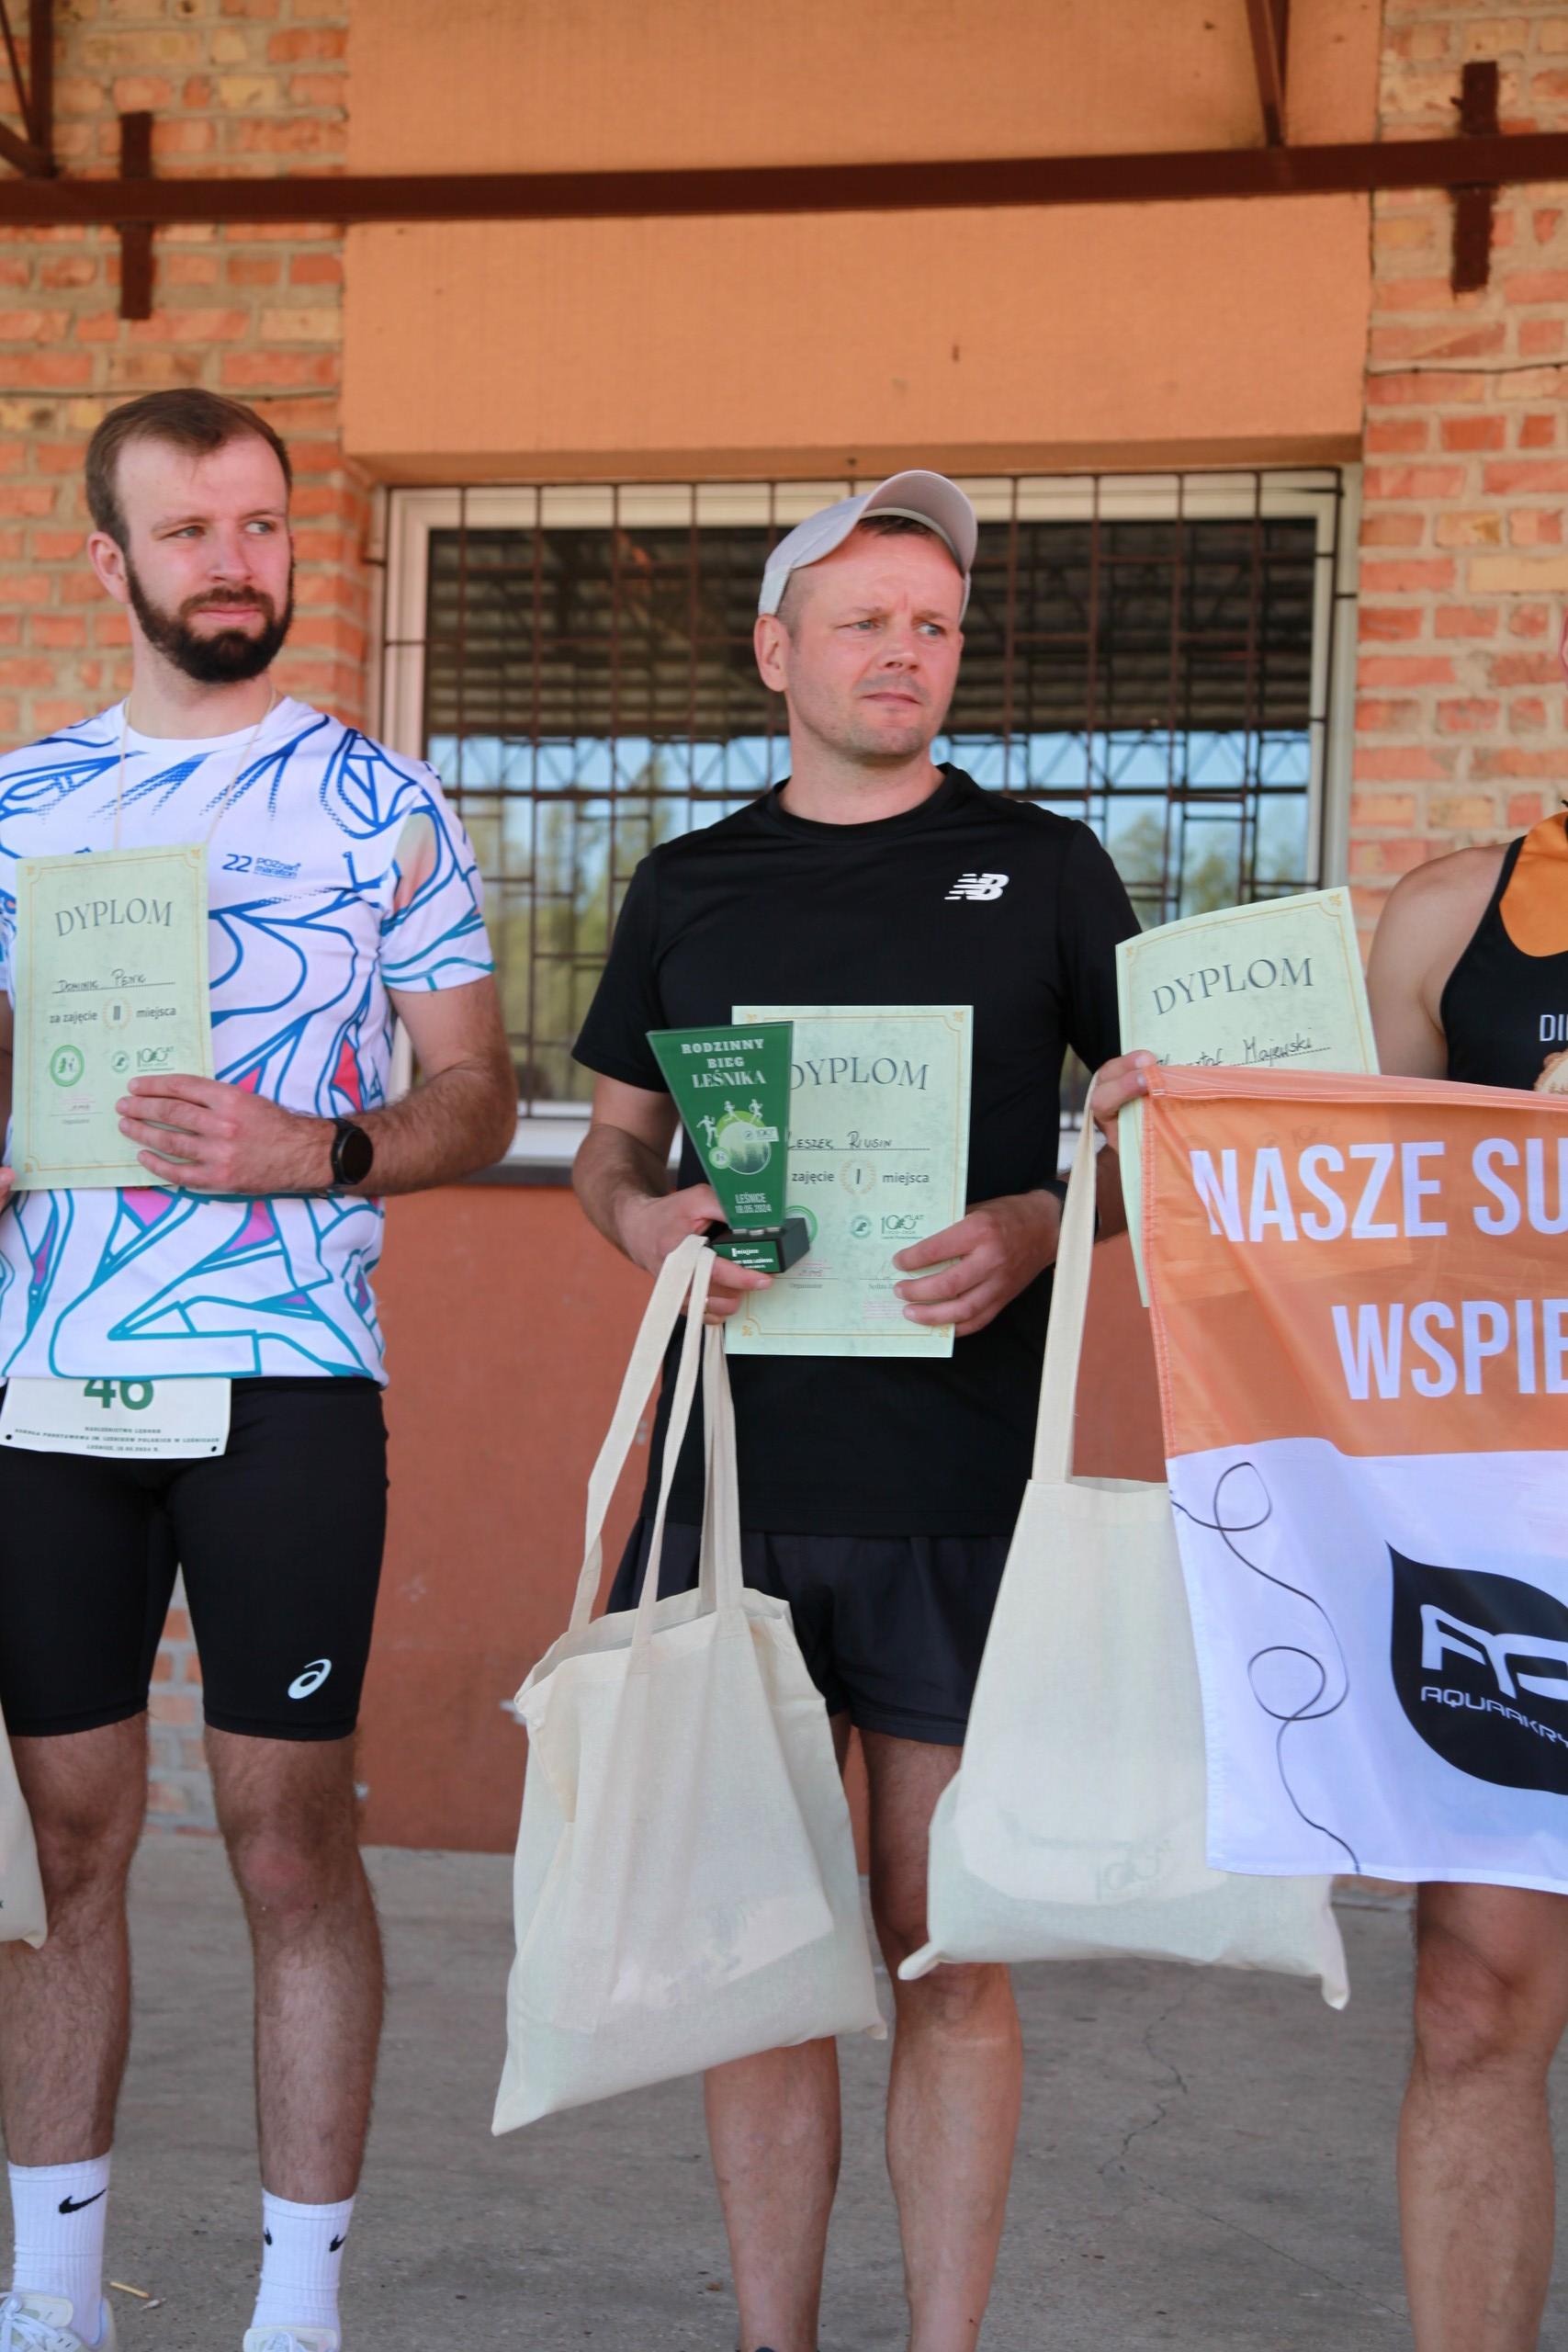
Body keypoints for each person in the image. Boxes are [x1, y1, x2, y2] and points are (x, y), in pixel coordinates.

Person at [571, 470, 1137, 2352]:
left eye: (935, 625)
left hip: (959, 1484)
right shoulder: (686, 883)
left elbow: (1146, 1139)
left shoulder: (1047, 866)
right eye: (866, 620)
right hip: (733, 1479)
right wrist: (644, 1223)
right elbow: (612, 1152)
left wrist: (1039, 1221)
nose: (906, 653)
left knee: (941, 1938)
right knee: (759, 1956)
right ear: (776, 650)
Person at [0, 390, 516, 2352]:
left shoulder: (384, 804)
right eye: (190, 529)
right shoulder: (20, 803)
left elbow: (477, 1094)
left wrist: (324, 1146)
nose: (235, 562)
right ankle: (53, 2295)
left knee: (291, 1837)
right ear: (108, 560)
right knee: (61, 1841)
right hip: (47, 1378)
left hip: (288, 1370)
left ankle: (298, 2309)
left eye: (261, 525)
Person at [1094, 622, 1568, 2352]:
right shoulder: (1458, 914)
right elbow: (1346, 1218)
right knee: (1477, 2000)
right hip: (1520, 1527)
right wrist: (1191, 1121)